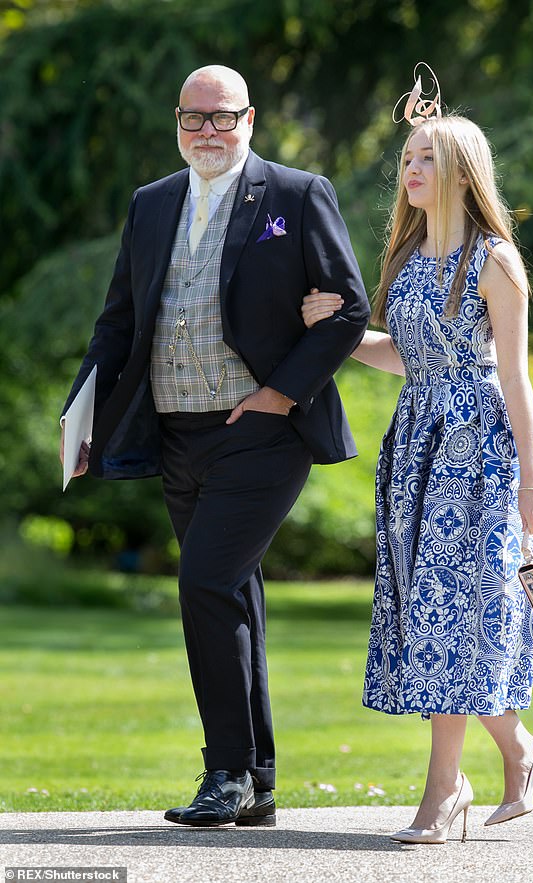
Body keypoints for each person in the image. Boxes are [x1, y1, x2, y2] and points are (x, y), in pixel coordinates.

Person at [60, 64, 370, 828]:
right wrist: (82, 412)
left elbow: (347, 309)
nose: (206, 131)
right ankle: (258, 780)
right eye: (192, 119)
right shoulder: (152, 202)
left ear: (250, 119)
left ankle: (224, 771)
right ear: (177, 123)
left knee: (203, 580)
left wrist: (279, 392)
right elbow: (118, 322)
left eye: (221, 117)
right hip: (175, 434)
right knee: (231, 591)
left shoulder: (296, 196)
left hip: (263, 433)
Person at [301, 64, 533, 843]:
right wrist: (341, 334)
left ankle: (445, 791)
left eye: (423, 159)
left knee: (457, 616)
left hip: (479, 450)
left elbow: (513, 378)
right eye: (407, 159)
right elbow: (408, 357)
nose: (408, 171)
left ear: (459, 173)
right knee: (434, 616)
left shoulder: (495, 260)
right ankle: (522, 750)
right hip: (416, 445)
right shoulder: (411, 261)